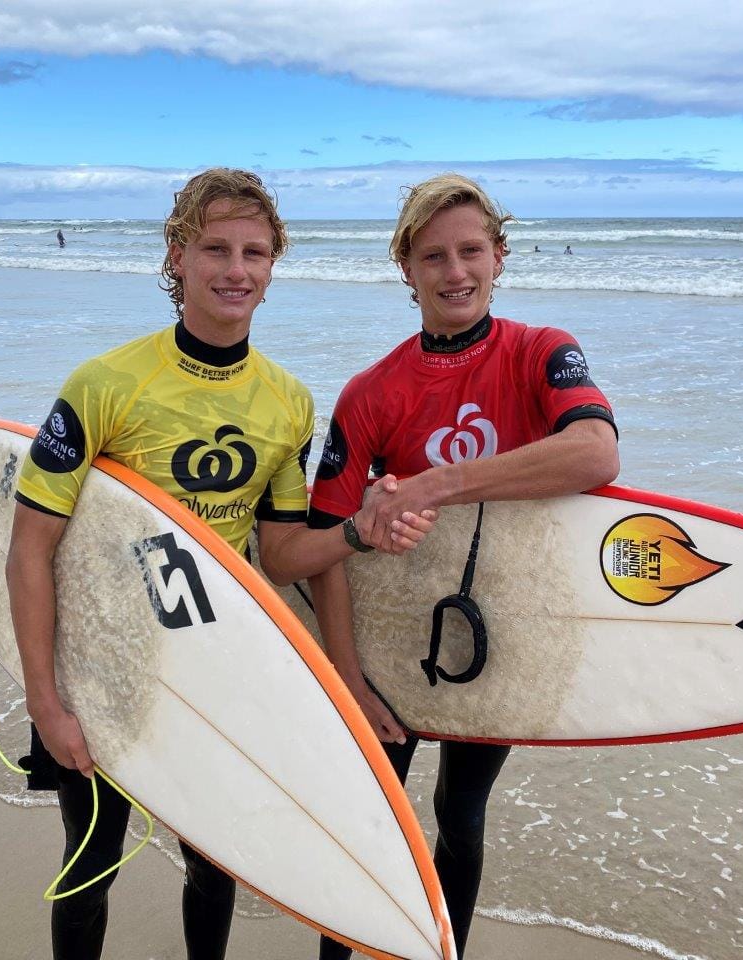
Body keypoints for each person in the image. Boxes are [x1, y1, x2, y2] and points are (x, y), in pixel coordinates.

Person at [4, 168, 435, 960]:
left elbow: (281, 554)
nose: (236, 269)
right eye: (215, 248)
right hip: (102, 662)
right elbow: (30, 548)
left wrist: (361, 534)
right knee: (91, 861)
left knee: (216, 862)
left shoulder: (287, 402)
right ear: (177, 258)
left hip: (213, 661)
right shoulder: (104, 385)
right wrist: (45, 699)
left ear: (274, 267)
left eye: (255, 252)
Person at [307, 173, 619, 959]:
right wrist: (347, 672)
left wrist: (431, 483)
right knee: (367, 816)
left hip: (499, 633)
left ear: (500, 257)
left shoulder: (544, 351)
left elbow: (596, 453)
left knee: (462, 814)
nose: (455, 273)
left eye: (471, 251)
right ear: (404, 269)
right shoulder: (371, 393)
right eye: (433, 256)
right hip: (388, 642)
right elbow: (322, 543)